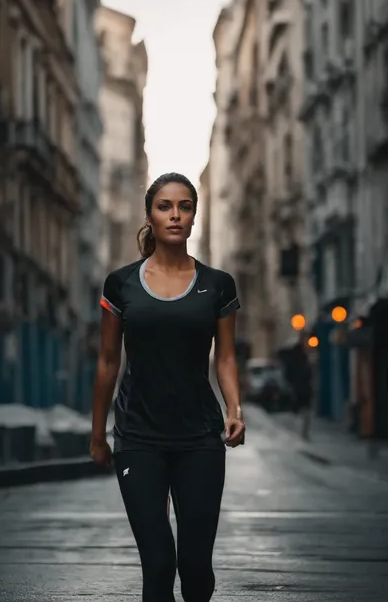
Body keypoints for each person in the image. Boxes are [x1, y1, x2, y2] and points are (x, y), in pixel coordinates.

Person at [90, 172, 245, 602]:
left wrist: (234, 409)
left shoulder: (218, 284)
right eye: (165, 207)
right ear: (150, 216)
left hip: (199, 439)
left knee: (195, 568)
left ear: (194, 216)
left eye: (185, 207)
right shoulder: (120, 284)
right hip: (138, 438)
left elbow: (227, 358)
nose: (175, 215)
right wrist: (97, 435)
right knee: (158, 564)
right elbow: (107, 362)